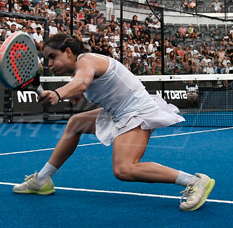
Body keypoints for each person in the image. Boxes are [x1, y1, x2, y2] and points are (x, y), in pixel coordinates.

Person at [12, 34, 215, 211]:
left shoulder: (86, 60)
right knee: (76, 123)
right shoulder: (82, 67)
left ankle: (195, 181)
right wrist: (75, 96)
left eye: (52, 57)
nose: (49, 64)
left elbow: (81, 83)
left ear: (67, 52)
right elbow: (84, 85)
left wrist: (58, 94)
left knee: (124, 169)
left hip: (136, 112)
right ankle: (42, 180)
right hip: (117, 112)